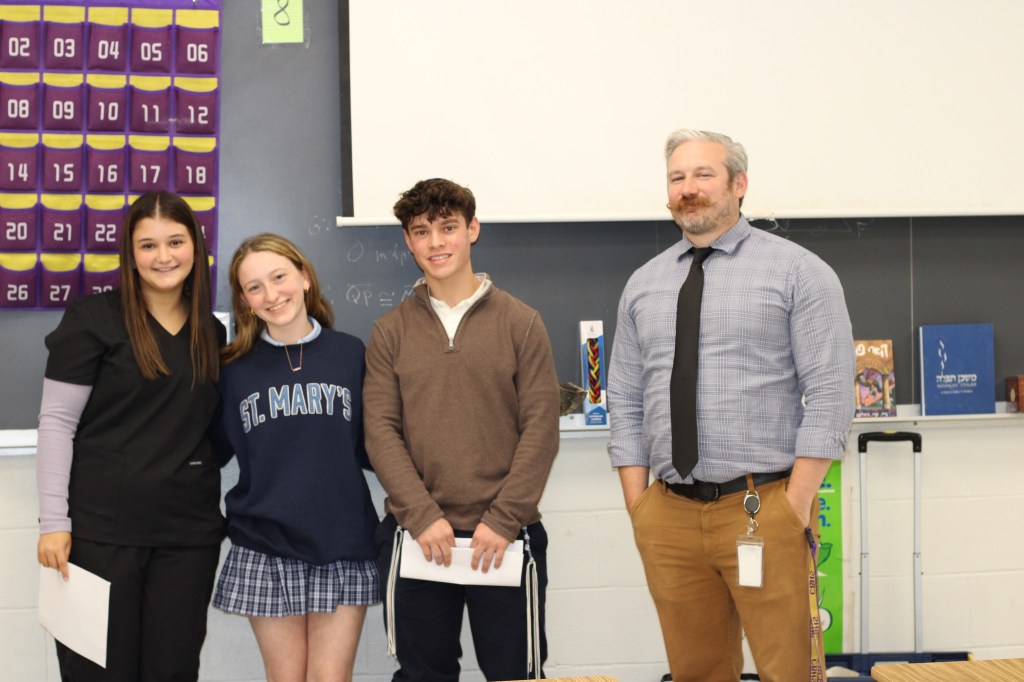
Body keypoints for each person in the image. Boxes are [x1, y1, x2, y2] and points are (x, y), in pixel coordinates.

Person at [607, 129, 855, 682]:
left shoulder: (798, 273)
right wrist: (639, 504)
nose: (688, 188)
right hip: (668, 514)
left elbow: (832, 393)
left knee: (788, 670)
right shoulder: (644, 285)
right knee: (696, 671)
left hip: (764, 506)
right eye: (677, 177)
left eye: (703, 174)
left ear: (738, 185)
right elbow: (623, 397)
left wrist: (793, 505)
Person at [363, 178, 560, 682]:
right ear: (408, 241)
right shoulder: (390, 331)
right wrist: (422, 516)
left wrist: (504, 518)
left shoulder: (523, 323)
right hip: (421, 537)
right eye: (421, 231)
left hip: (506, 538)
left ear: (472, 230)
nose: (436, 243)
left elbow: (540, 430)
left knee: (515, 673)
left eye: (448, 227)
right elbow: (381, 432)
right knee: (423, 675)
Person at [36, 191, 225, 681]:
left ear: (196, 247)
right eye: (148, 245)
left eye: (175, 242)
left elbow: (214, 432)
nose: (163, 256)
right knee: (97, 671)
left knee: (173, 672)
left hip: (186, 537)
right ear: (130, 253)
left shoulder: (213, 332)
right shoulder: (92, 319)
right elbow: (57, 422)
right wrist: (53, 521)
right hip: (100, 534)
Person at [212, 233, 380, 682]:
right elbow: (207, 452)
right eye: (254, 287)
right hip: (265, 544)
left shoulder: (351, 354)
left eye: (279, 277)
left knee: (330, 678)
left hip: (342, 541)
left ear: (304, 278)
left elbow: (375, 446)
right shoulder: (233, 371)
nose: (271, 294)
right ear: (245, 302)